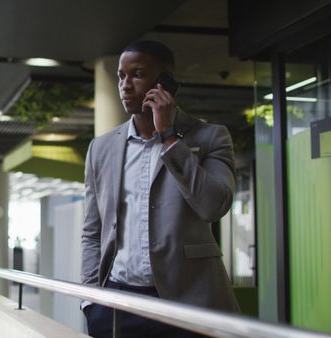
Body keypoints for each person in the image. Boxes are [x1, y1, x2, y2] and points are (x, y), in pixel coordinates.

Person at [80, 40, 240, 338]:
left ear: (165, 82)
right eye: (121, 76)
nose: (125, 85)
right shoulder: (101, 148)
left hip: (188, 302)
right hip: (117, 303)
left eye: (137, 74)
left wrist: (169, 137)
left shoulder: (210, 137)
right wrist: (91, 300)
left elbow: (213, 206)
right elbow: (93, 230)